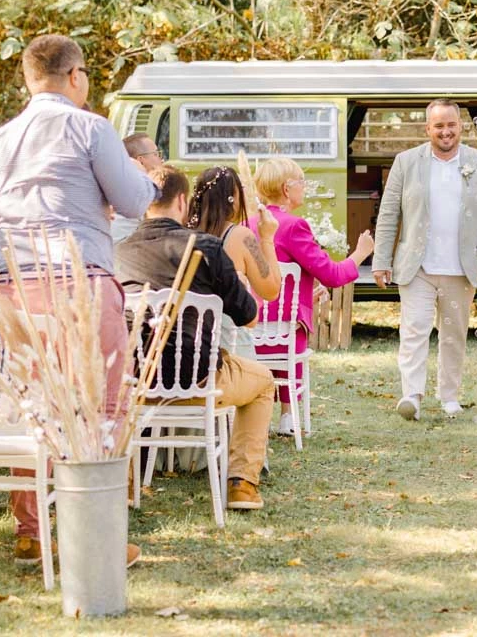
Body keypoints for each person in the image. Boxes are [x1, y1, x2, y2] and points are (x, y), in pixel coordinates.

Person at [0, 35, 154, 568]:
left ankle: (32, 531)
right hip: (79, 278)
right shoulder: (90, 127)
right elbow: (135, 200)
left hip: (14, 282)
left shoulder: (0, 140)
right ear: (75, 76)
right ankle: (96, 533)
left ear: (30, 78)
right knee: (102, 403)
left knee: (33, 405)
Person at [116, 165, 275, 511]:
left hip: (136, 383)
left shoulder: (119, 253)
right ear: (183, 201)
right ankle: (242, 485)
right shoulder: (206, 248)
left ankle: (125, 484)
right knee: (264, 382)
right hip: (200, 380)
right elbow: (248, 317)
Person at [373, 100, 477, 420]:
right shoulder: (406, 162)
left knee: (453, 335)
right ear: (427, 129)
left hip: (462, 266)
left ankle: (449, 396)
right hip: (417, 265)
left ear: (460, 126)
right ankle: (412, 395)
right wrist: (382, 259)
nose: (445, 131)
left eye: (451, 125)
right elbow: (389, 212)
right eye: (438, 126)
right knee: (414, 330)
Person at [252, 156, 372, 430]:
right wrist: (361, 253)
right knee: (292, 327)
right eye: (302, 182)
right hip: (283, 336)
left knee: (288, 322)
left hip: (248, 332)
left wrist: (303, 295)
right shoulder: (294, 226)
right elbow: (331, 274)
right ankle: (288, 417)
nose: (305, 187)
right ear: (286, 189)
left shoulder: (248, 223)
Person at [188, 166, 280, 362]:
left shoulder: (183, 233)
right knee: (265, 384)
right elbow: (271, 290)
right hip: (231, 349)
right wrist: (267, 238)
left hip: (190, 349)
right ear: (233, 198)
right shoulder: (240, 236)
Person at [111, 133, 163, 243]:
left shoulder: (115, 182)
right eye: (156, 154)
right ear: (140, 161)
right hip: (126, 253)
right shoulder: (142, 188)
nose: (161, 159)